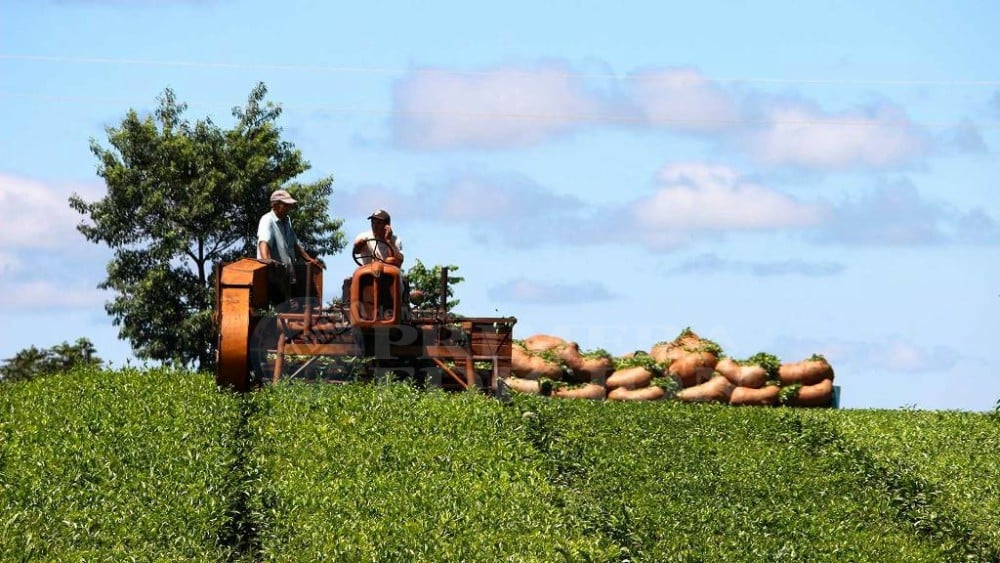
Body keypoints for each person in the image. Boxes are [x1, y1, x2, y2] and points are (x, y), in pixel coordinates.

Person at [257, 189, 323, 296]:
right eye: (286, 205)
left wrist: (309, 259)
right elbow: (264, 243)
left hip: (286, 275)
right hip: (274, 276)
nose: (289, 208)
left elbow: (295, 244)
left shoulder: (286, 221)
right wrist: (268, 264)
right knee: (277, 306)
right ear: (275, 206)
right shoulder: (267, 220)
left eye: (289, 205)